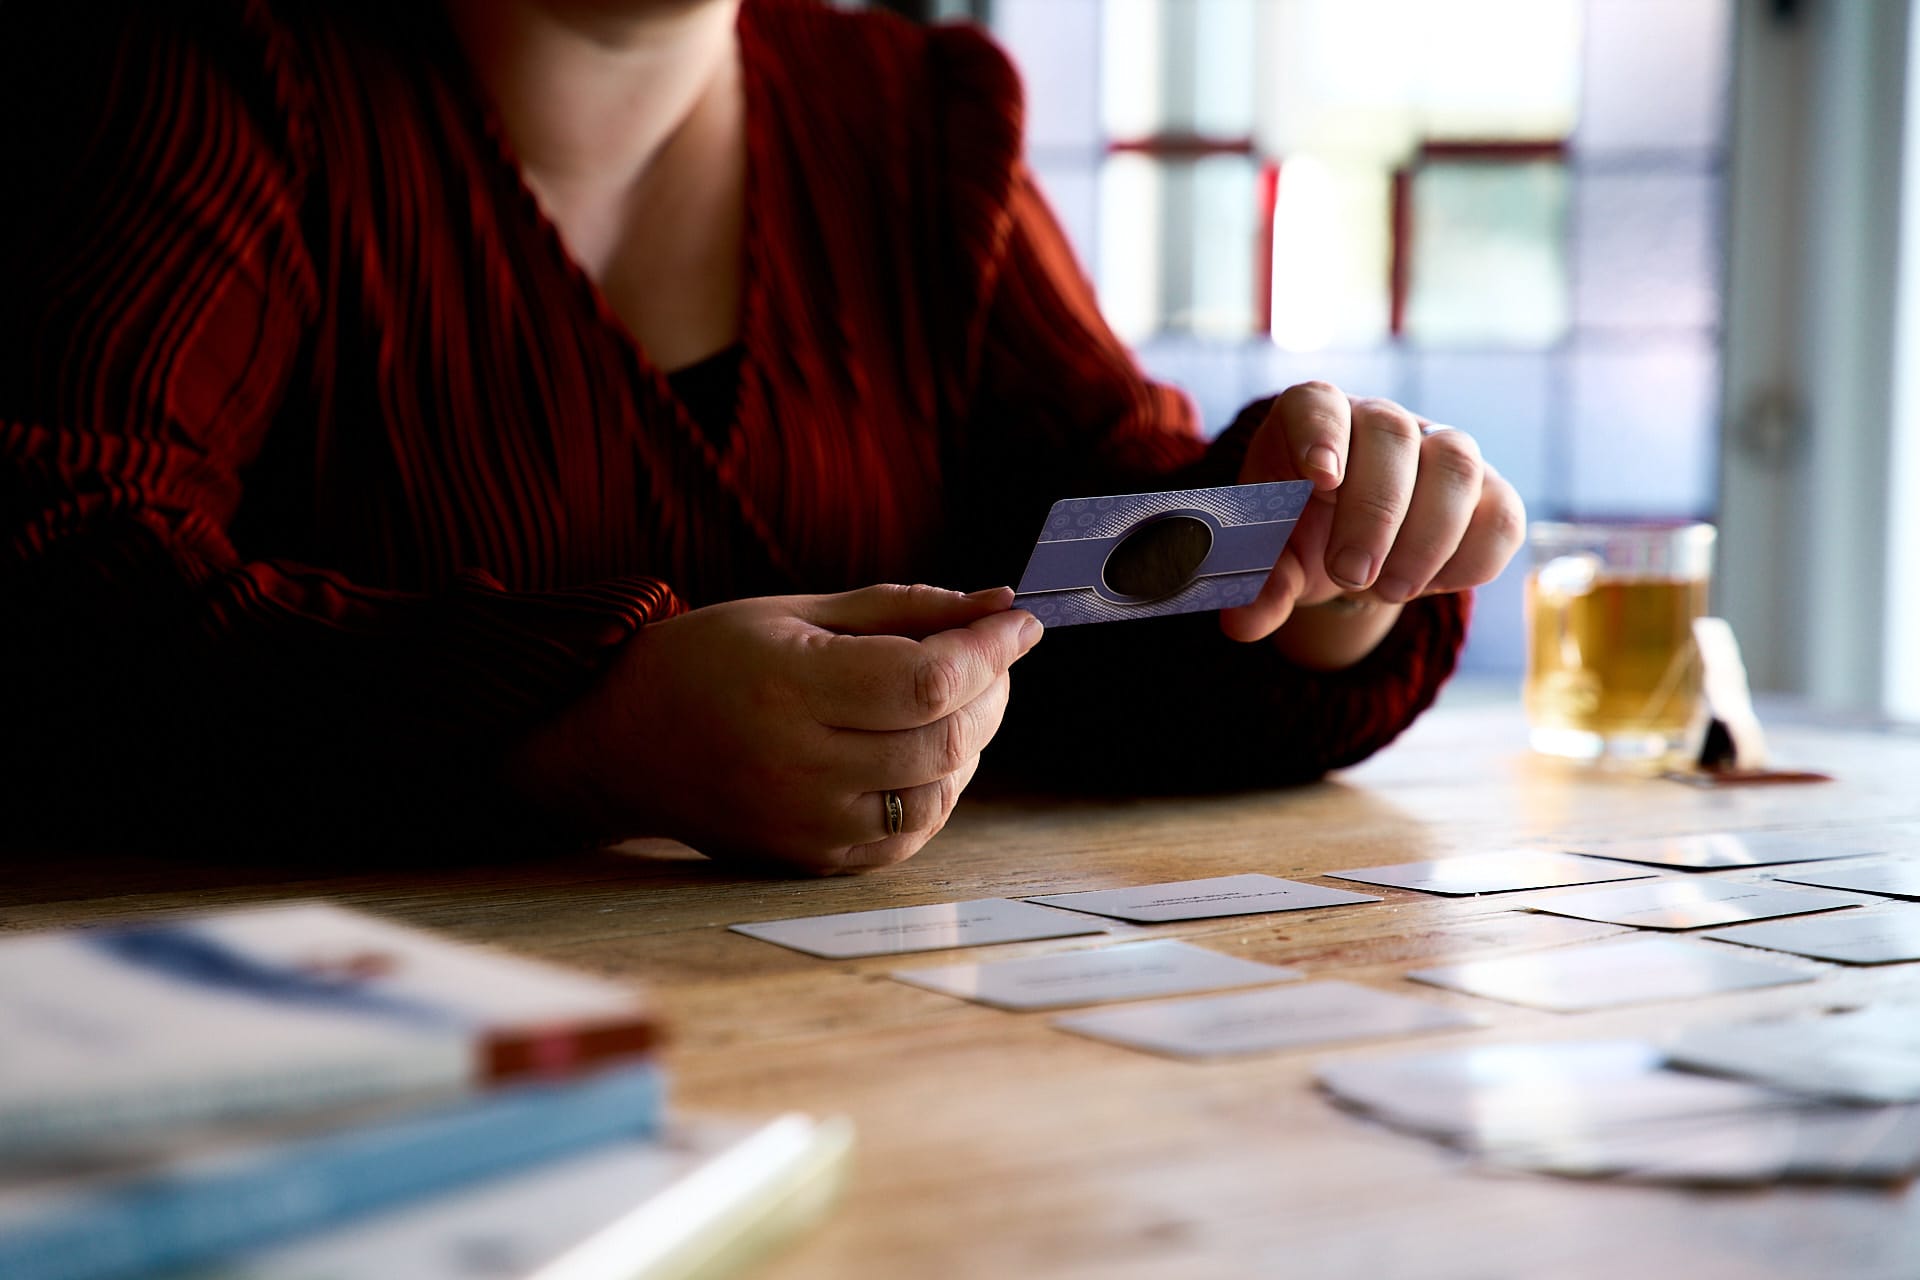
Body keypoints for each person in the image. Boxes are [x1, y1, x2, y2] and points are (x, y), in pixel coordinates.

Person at [0, 0, 1523, 872]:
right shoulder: (209, 70)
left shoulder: (918, 117)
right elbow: (54, 592)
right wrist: (584, 736)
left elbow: (1097, 621)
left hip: (881, 1071)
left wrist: (1322, 569)